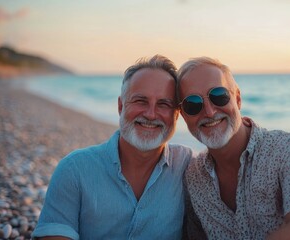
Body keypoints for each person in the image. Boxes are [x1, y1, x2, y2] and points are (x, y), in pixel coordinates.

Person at [32, 55, 192, 240]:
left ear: (177, 115)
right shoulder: (74, 169)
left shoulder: (188, 168)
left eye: (164, 104)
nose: (150, 114)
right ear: (120, 106)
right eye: (140, 101)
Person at [177, 57, 290, 239]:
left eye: (219, 96)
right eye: (193, 104)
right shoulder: (193, 178)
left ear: (237, 99)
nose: (209, 111)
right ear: (183, 115)